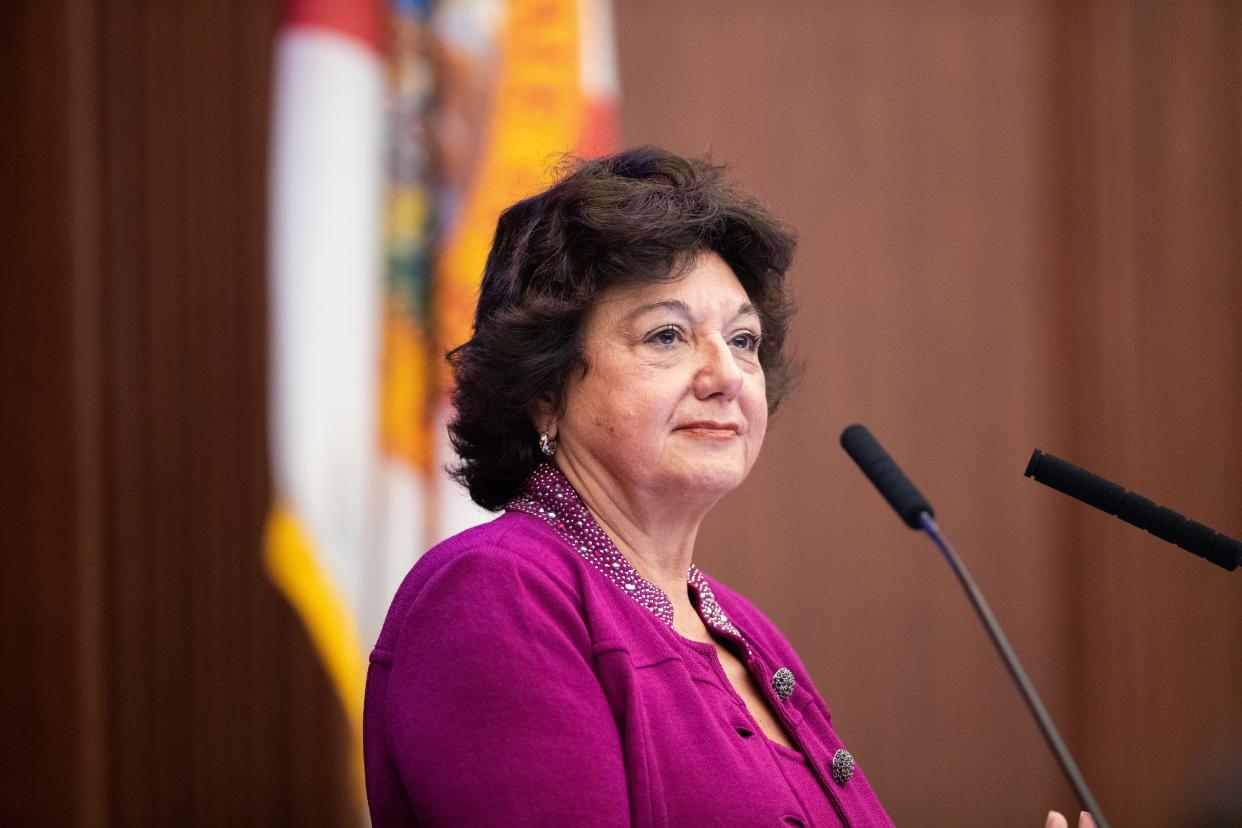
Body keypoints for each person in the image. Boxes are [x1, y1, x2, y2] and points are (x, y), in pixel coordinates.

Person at [362, 145, 892, 826]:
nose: (725, 375)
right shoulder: (494, 596)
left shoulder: (745, 631)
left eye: (743, 341)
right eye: (668, 336)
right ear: (545, 389)